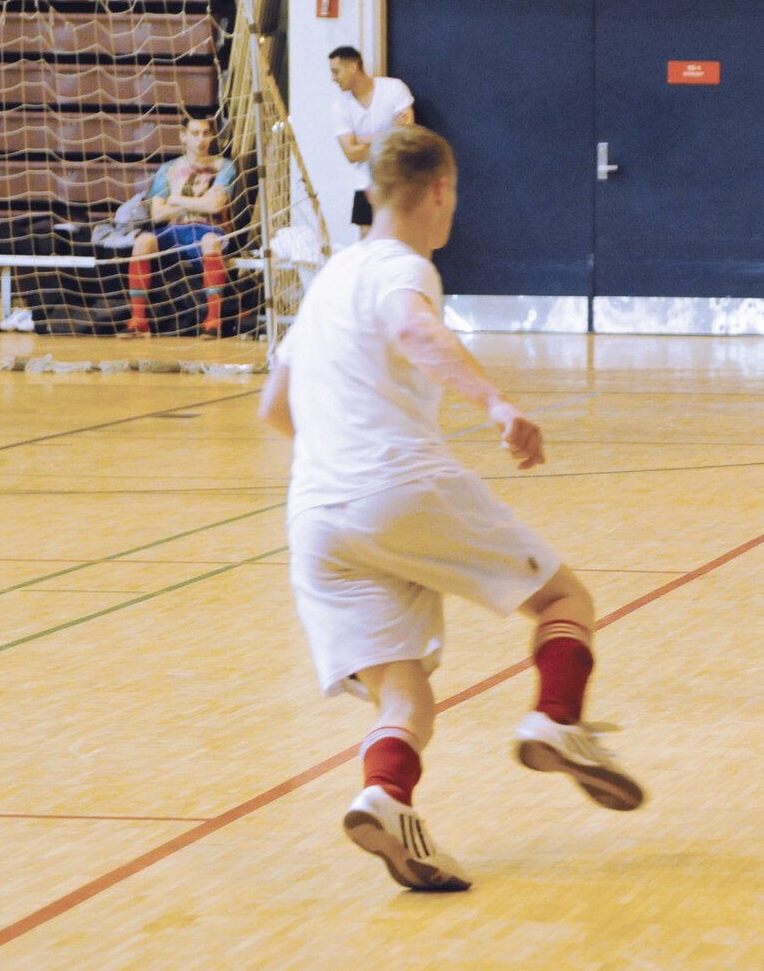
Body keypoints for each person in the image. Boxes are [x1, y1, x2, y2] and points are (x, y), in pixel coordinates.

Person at [258, 125, 642, 893]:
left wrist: (342, 459)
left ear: (372, 191)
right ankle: (557, 717)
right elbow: (413, 327)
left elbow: (274, 406)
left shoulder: (331, 278)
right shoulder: (405, 267)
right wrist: (497, 403)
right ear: (439, 190)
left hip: (316, 518)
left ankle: (386, 799)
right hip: (397, 484)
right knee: (564, 599)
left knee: (406, 694)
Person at [124, 114, 238, 337]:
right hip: (173, 231)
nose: (201, 139)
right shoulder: (168, 169)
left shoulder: (224, 166)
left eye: (206, 133)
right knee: (143, 241)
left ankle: (213, 321)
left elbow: (215, 205)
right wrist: (199, 202)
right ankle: (138, 320)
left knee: (211, 241)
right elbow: (158, 214)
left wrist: (176, 199)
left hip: (206, 230)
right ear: (183, 136)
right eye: (195, 133)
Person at [328, 46, 415, 237]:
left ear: (353, 67)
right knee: (368, 242)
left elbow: (405, 138)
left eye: (336, 71)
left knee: (399, 239)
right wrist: (390, 132)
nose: (333, 78)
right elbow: (351, 154)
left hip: (397, 179)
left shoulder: (394, 88)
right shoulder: (340, 107)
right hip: (364, 183)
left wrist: (362, 139)